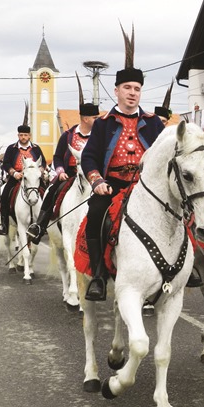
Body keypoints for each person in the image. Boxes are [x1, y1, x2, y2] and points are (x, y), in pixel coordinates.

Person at [80, 28, 165, 301]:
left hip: (147, 187)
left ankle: (178, 271)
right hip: (113, 186)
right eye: (127, 88)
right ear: (116, 91)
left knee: (180, 214)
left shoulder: (153, 122)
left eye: (137, 89)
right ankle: (98, 276)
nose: (132, 93)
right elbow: (89, 156)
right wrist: (98, 181)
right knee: (95, 216)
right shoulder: (103, 123)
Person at [27, 99, 99, 245]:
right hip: (70, 174)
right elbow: (58, 157)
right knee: (50, 192)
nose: (98, 120)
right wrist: (60, 172)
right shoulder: (68, 135)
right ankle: (39, 227)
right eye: (95, 118)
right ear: (86, 119)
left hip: (95, 176)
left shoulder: (99, 136)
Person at [0, 124, 46, 236]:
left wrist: (40, 171)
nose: (23, 137)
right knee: (4, 196)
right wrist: (14, 173)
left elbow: (42, 162)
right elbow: (6, 163)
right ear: (18, 135)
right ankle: (3, 224)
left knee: (46, 193)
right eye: (21, 135)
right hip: (17, 176)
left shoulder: (36, 148)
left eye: (25, 135)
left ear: (29, 136)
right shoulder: (11, 148)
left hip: (33, 177)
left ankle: (44, 222)